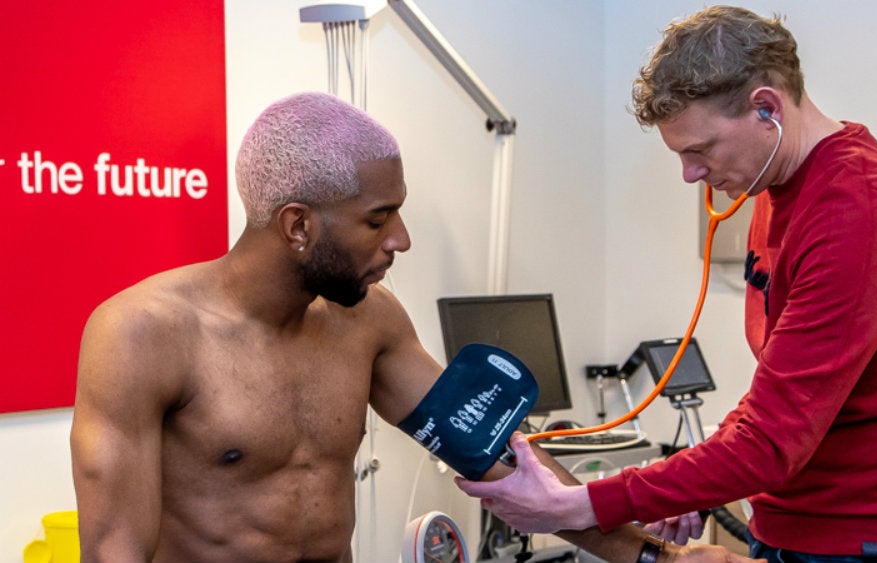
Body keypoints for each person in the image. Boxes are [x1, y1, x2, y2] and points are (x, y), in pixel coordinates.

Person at [70, 92, 760, 563]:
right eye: (377, 217)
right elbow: (113, 550)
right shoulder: (143, 333)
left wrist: (657, 555)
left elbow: (499, 456)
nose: (400, 239)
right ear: (298, 225)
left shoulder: (367, 322)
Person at [458, 6, 877, 563]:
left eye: (699, 150)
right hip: (786, 529)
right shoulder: (775, 192)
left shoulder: (859, 212)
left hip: (861, 545)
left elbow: (775, 439)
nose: (690, 174)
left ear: (766, 108)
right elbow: (777, 391)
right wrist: (695, 482)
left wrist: (580, 506)